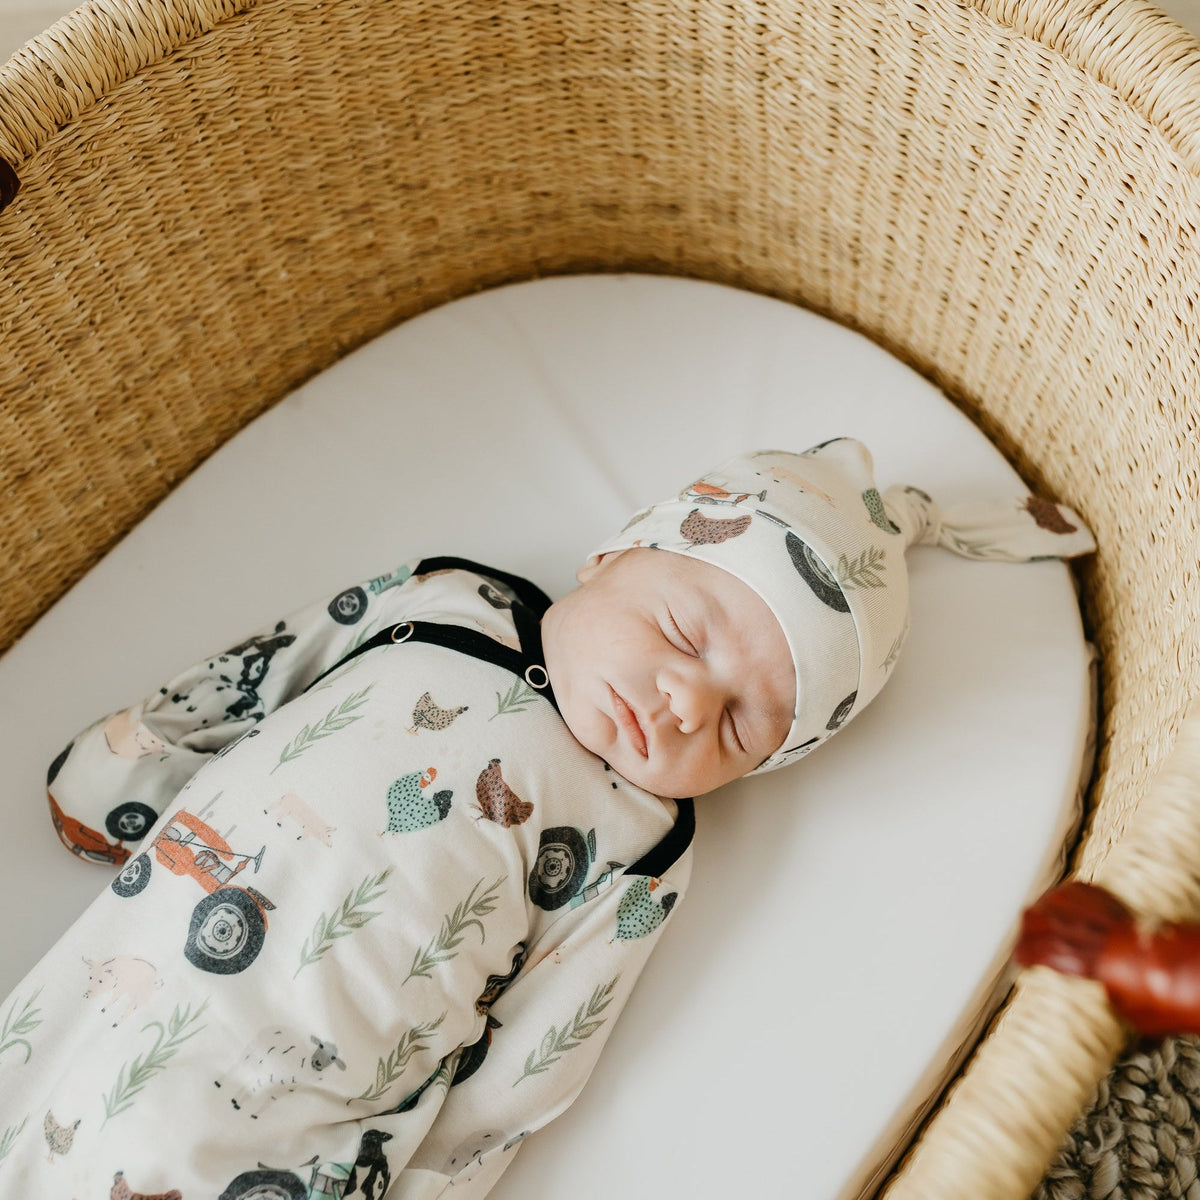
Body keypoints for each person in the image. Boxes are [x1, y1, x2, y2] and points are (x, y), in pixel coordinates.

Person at [0, 438, 1095, 1197]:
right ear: (613, 556)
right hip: (110, 992)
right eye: (682, 633)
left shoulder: (637, 841)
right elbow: (289, 657)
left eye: (738, 729)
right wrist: (138, 749)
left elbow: (538, 1057)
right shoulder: (452, 602)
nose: (685, 704)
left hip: (299, 1113)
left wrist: (433, 1179)